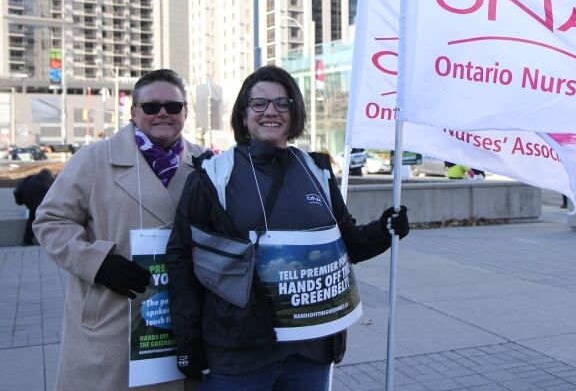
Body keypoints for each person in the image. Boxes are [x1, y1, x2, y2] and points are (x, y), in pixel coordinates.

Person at [166, 65, 409, 390]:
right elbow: (182, 258)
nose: (271, 112)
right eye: (259, 103)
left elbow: (348, 244)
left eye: (283, 103)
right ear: (243, 113)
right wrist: (187, 343)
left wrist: (385, 229)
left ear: (295, 113)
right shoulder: (213, 176)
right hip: (239, 354)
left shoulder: (316, 170)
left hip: (309, 354)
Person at [34, 69, 205, 391]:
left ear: (186, 111)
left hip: (180, 316)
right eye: (151, 107)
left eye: (173, 106)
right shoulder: (93, 159)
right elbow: (51, 221)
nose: (163, 113)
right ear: (134, 111)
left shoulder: (204, 163)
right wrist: (98, 263)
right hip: (112, 316)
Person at [13, 168, 54, 245]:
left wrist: (20, 201)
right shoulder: (50, 180)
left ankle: (27, 240)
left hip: (31, 202)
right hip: (42, 204)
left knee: (31, 220)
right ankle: (48, 241)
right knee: (47, 221)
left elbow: (18, 190)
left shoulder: (30, 178)